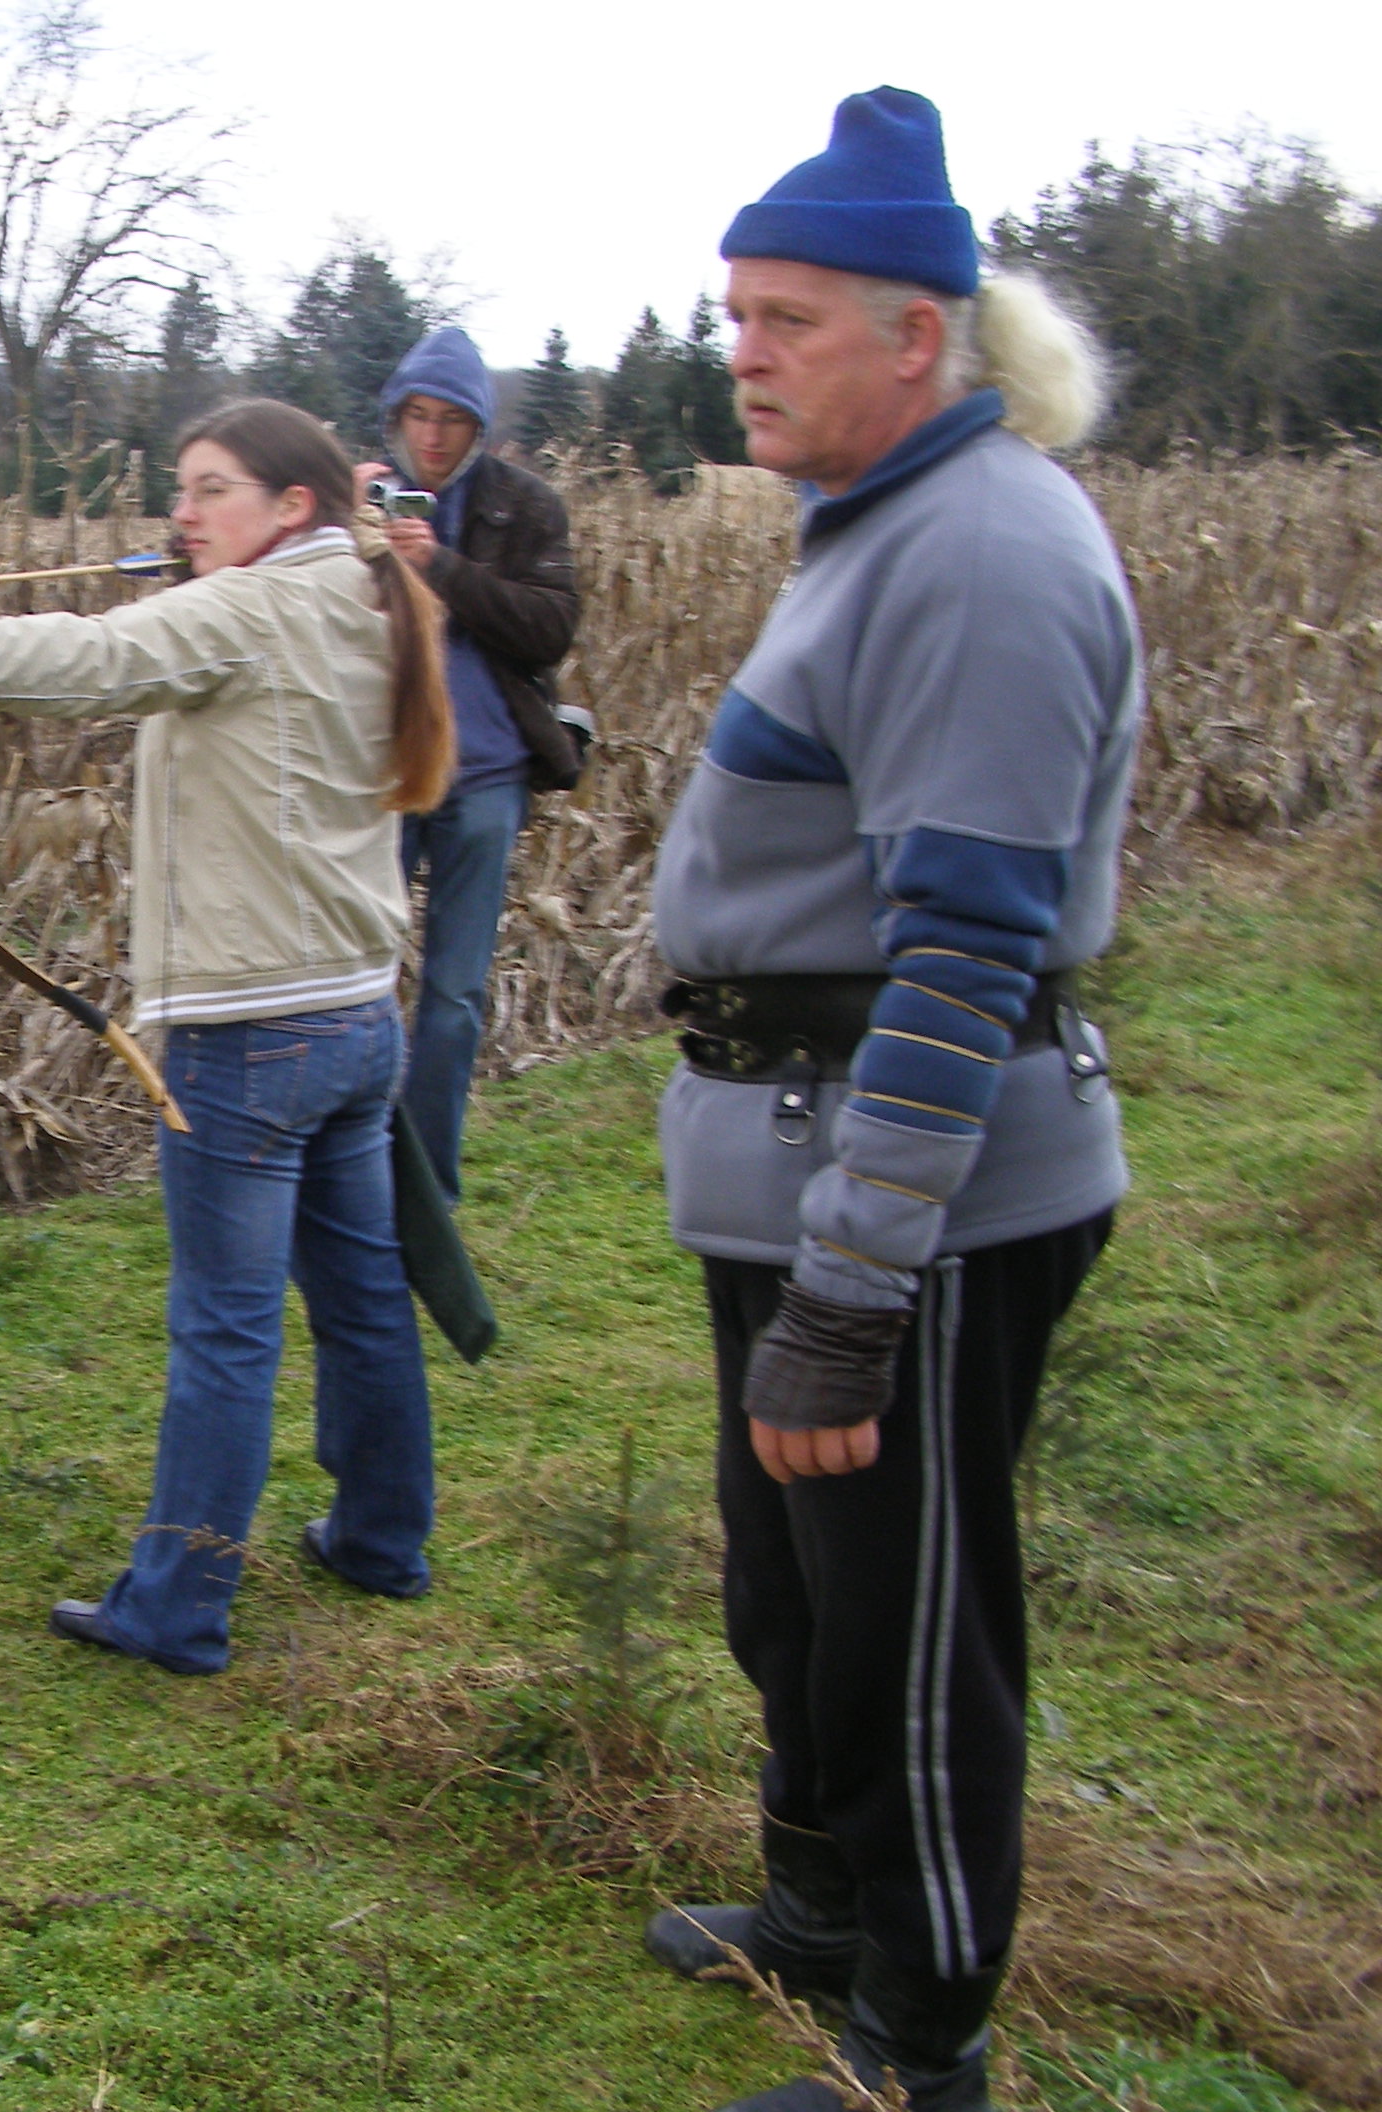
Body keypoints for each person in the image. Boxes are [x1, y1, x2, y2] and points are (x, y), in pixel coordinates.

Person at [643, 90, 1136, 2112]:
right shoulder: (884, 524)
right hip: (795, 1162)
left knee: (908, 1636)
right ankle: (822, 1910)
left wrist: (852, 1295)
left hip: (907, 1189)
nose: (741, 352)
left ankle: (920, 2052)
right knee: (793, 1592)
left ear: (919, 334)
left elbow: (963, 956)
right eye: (733, 312)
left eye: (787, 318)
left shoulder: (984, 554)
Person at [0, 398, 452, 1675]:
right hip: (352, 1014)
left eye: (210, 488)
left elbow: (105, 656)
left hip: (252, 1034)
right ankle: (380, 1539)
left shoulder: (255, 605)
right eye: (180, 488)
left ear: (291, 504)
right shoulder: (362, 589)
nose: (183, 512)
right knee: (359, 1300)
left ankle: (174, 1607)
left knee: (224, 1327)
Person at [356, 326, 586, 1201]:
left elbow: (550, 628)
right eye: (417, 416)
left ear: (478, 425)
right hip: (382, 776)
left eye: (451, 418)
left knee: (453, 997)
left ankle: (430, 1196)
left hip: (486, 777)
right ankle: (361, 1180)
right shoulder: (358, 497)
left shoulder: (524, 506)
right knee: (360, 984)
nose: (432, 435)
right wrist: (346, 524)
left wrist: (440, 567)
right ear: (395, 419)